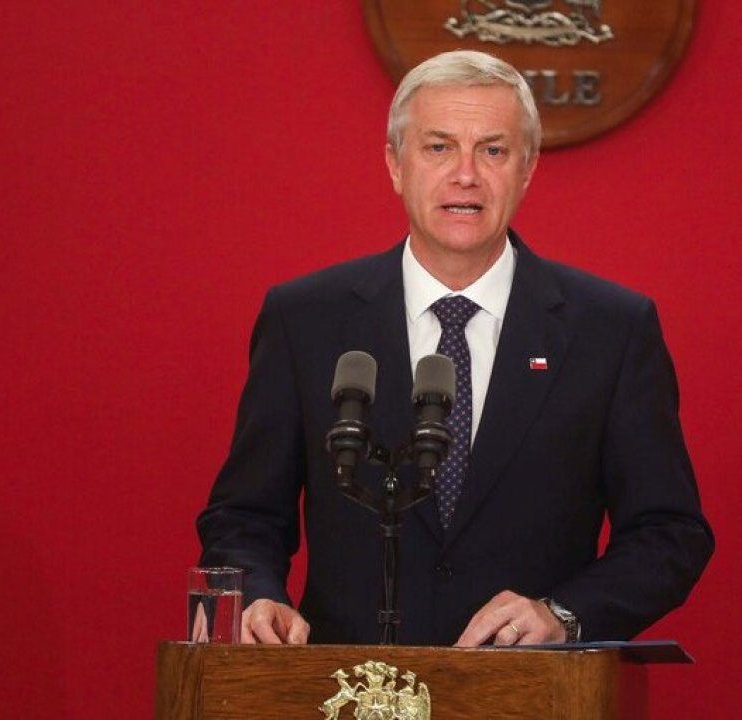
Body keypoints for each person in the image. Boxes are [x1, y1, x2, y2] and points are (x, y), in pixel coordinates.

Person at [197, 50, 713, 646]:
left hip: (529, 686)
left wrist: (563, 614)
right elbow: (244, 516)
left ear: (527, 169)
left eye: (492, 151)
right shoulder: (306, 319)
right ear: (395, 165)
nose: (465, 174)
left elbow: (669, 533)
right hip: (347, 685)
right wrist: (258, 597)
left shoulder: (611, 329)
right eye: (439, 147)